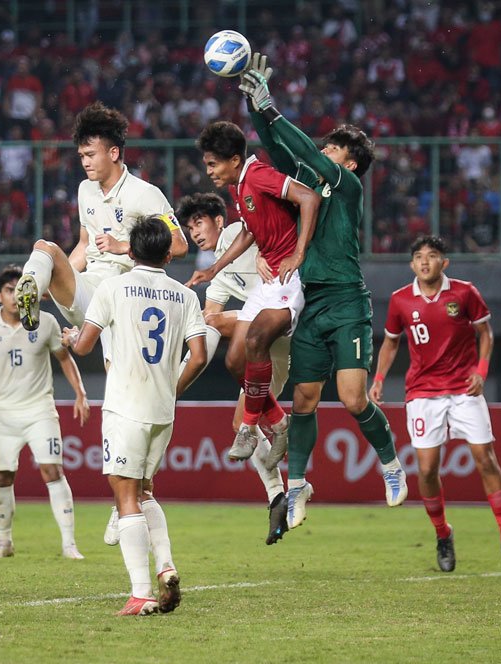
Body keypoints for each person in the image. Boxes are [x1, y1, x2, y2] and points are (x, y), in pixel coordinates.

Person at [239, 54, 407, 530]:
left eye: (331, 149)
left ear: (349, 162)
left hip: (348, 302)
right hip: (309, 301)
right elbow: (276, 148)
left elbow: (304, 154)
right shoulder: (312, 183)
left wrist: (272, 109)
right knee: (305, 399)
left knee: (353, 398)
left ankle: (391, 465)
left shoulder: (348, 186)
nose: (322, 152)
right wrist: (256, 107)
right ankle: (296, 490)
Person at [62, 216, 207, 616]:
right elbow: (199, 356)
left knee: (125, 495)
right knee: (145, 492)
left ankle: (141, 592)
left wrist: (72, 338)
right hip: (163, 410)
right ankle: (166, 567)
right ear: (166, 253)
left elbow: (86, 346)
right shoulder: (186, 296)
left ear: (131, 249)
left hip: (126, 407)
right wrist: (171, 390)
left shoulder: (113, 287)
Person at [369, 235, 501, 572]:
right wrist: (379, 378)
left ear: (444, 263)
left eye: (432, 256)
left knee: (485, 459)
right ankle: (443, 534)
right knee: (426, 469)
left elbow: (486, 334)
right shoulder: (399, 301)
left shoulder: (465, 293)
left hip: (463, 391)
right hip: (423, 394)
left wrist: (481, 372)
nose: (425, 262)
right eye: (419, 257)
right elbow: (391, 344)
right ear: (412, 264)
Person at [186, 120, 320, 483]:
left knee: (257, 341)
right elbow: (248, 229)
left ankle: (248, 428)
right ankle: (278, 421)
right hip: (267, 284)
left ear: (233, 159)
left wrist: (299, 253)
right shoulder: (239, 186)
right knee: (234, 361)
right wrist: (216, 267)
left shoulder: (259, 175)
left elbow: (309, 197)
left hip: (286, 279)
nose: (209, 171)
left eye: (213, 164)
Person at [16, 102, 188, 342]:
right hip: (91, 289)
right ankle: (33, 287)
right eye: (81, 156)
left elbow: (180, 246)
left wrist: (125, 247)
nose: (85, 162)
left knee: (119, 374)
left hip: (127, 296)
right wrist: (56, 277)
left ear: (113, 153)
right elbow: (84, 245)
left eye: (90, 155)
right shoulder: (85, 189)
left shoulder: (145, 193)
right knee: (45, 249)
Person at [179, 191, 291, 545]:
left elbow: (263, 227)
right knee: (241, 423)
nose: (195, 232)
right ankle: (279, 496)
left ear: (218, 220)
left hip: (282, 322)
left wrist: (266, 254)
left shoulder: (238, 233)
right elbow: (207, 320)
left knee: (207, 320)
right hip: (269, 355)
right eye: (189, 227)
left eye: (199, 222)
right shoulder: (222, 274)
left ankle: (176, 382)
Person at [0, 265, 90, 560]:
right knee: (2, 476)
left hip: (39, 410)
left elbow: (64, 359)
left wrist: (80, 392)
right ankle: (4, 542)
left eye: (20, 288)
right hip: (3, 413)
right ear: (0, 296)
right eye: (9, 290)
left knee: (52, 470)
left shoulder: (45, 322)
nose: (15, 295)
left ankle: (69, 544)